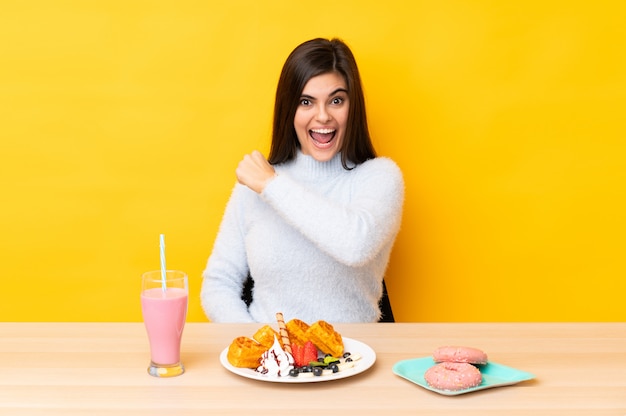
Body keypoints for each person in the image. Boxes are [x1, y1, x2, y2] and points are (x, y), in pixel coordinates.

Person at [201, 38, 404, 323]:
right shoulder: (254, 185)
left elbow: (354, 245)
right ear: (289, 110)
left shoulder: (380, 177)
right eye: (306, 102)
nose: (323, 116)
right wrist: (260, 347)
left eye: (336, 100)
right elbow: (218, 283)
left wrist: (272, 186)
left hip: (355, 359)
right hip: (272, 362)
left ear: (352, 106)